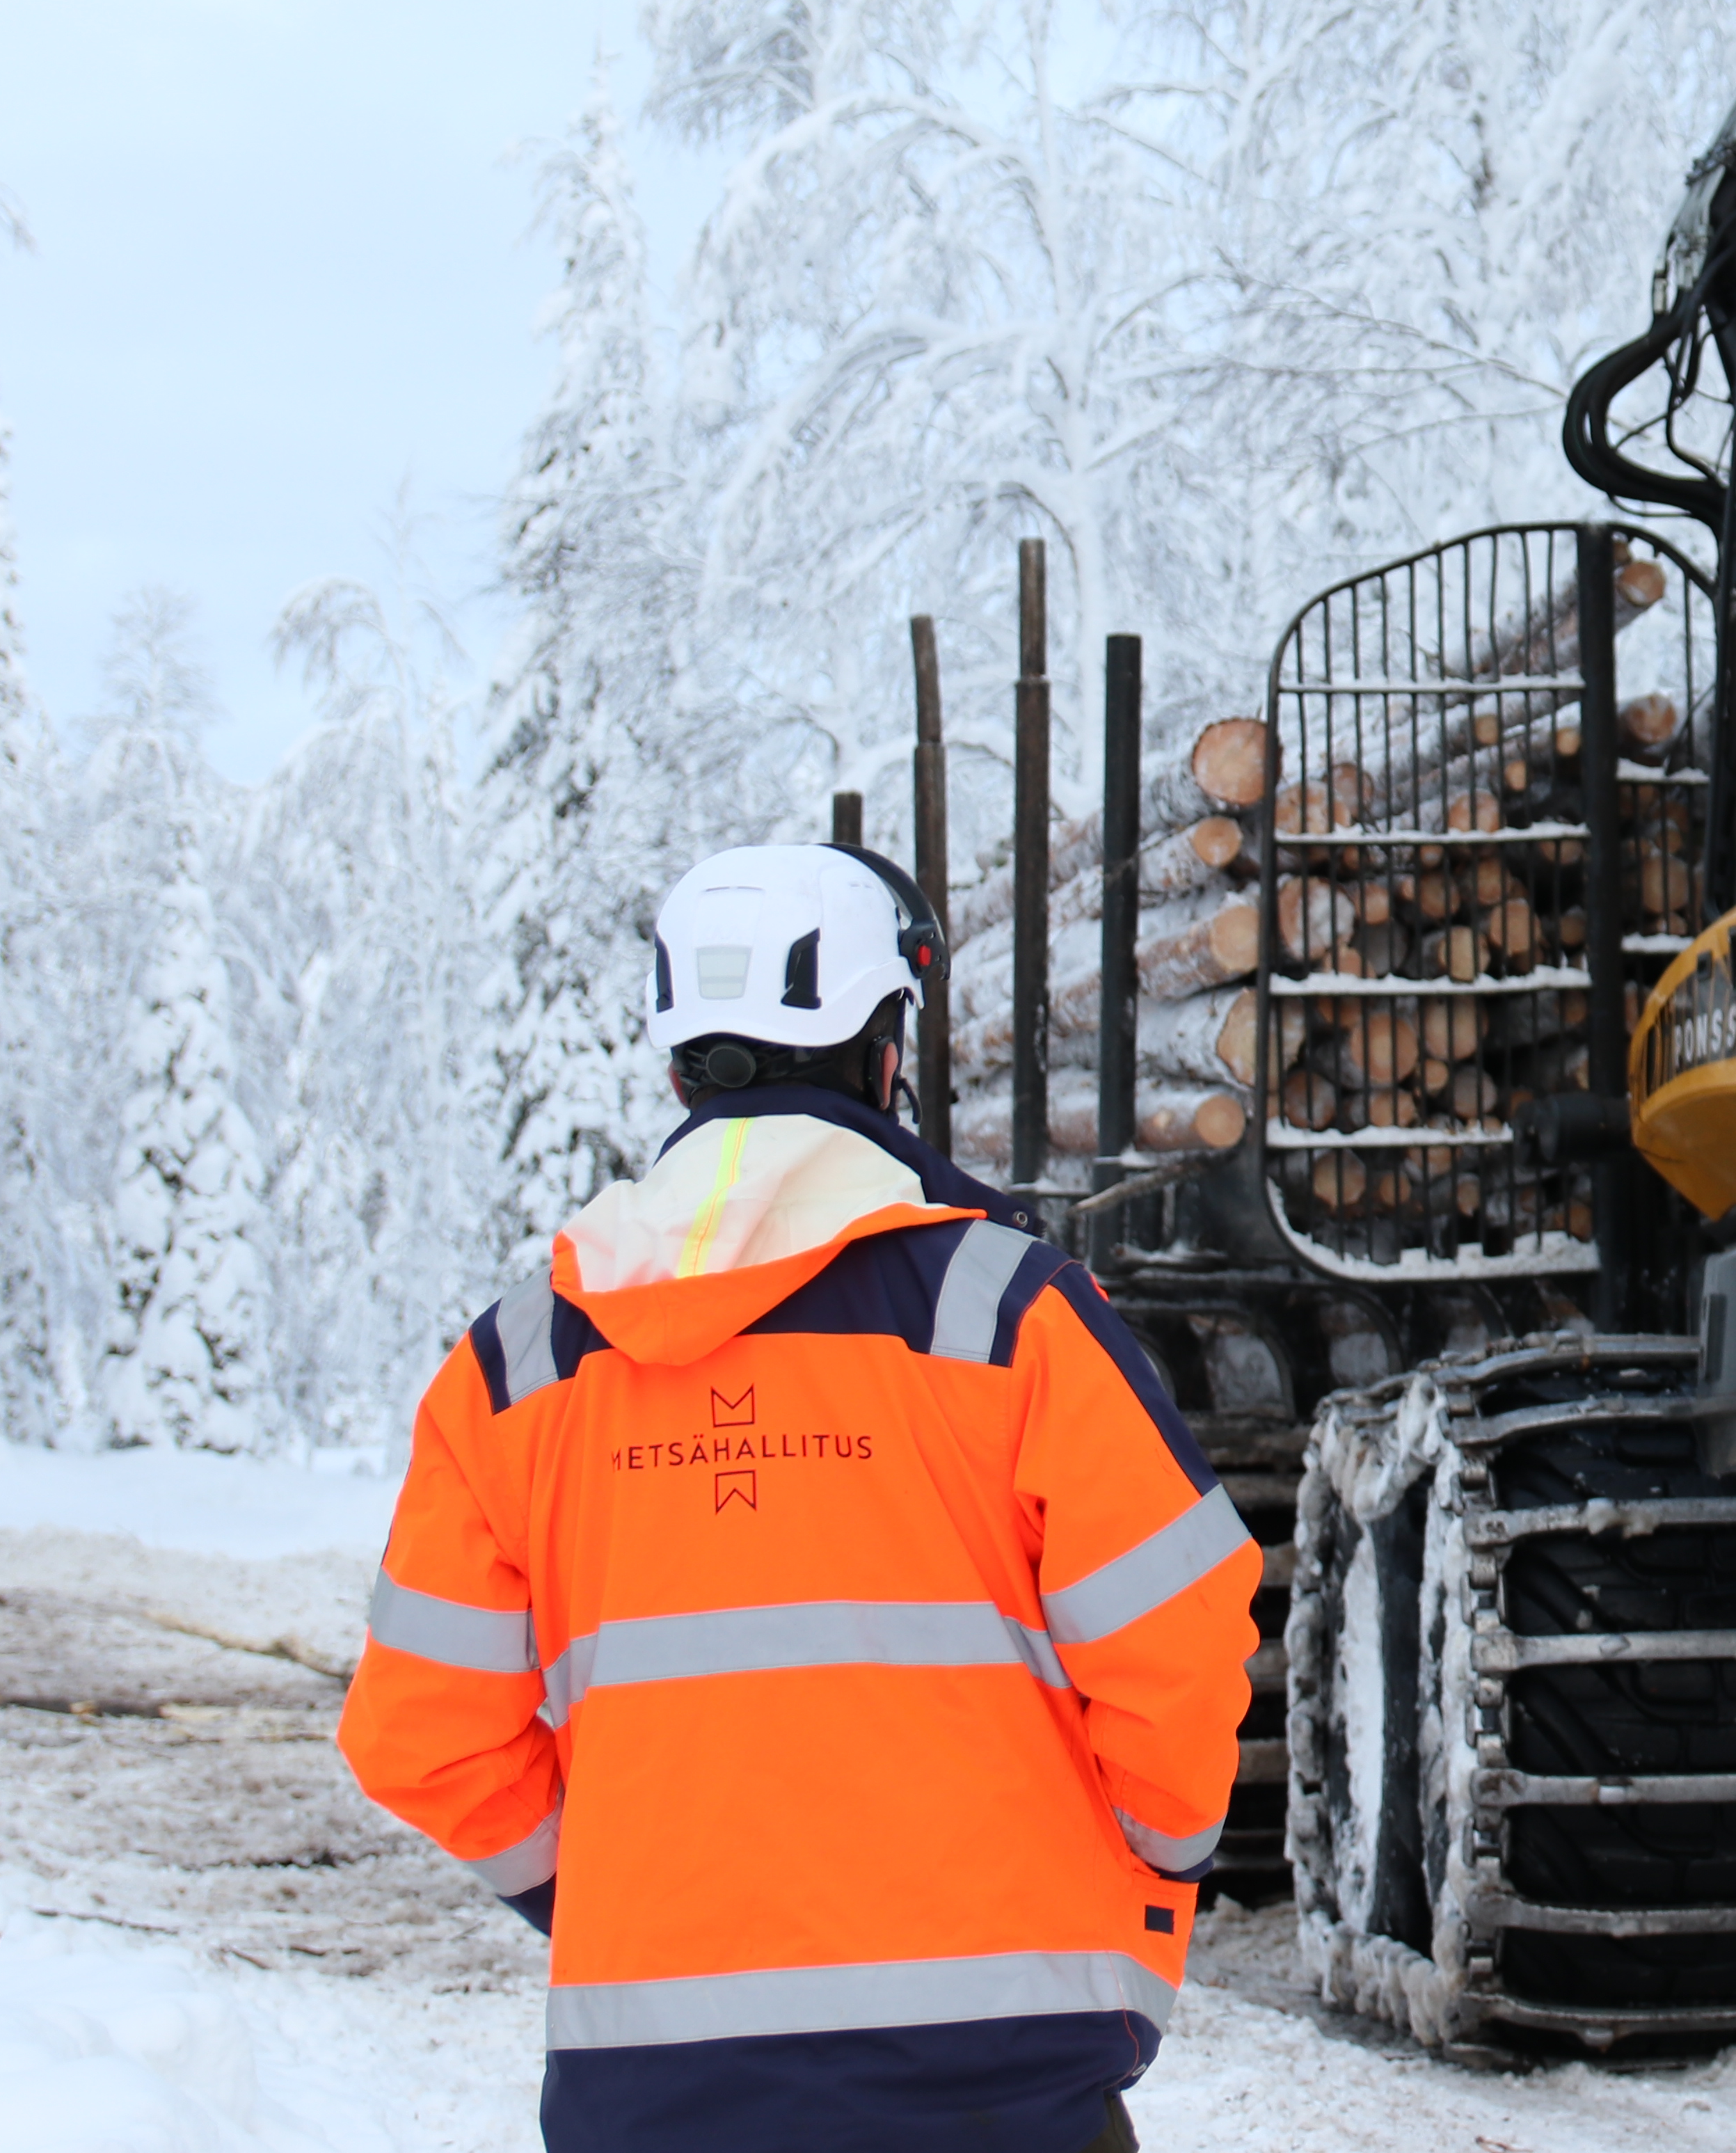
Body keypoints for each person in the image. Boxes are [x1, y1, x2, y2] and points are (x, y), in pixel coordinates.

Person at [340, 842, 1253, 2153]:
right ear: (886, 1053)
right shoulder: (1008, 1318)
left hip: (654, 2099)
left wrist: (602, 1892)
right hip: (1002, 2087)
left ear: (679, 1068)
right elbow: (1176, 1649)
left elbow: (421, 1733)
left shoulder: (518, 1366)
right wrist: (1155, 1867)